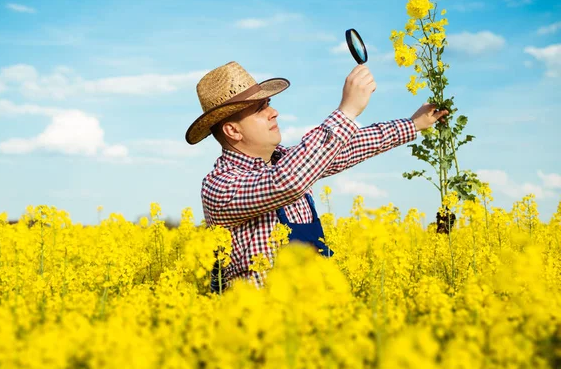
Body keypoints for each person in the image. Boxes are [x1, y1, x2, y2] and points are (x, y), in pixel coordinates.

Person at [185, 61, 448, 292]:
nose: (273, 112)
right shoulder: (220, 186)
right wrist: (347, 111)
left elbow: (348, 148)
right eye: (259, 109)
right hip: (263, 331)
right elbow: (287, 182)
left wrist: (414, 124)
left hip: (314, 321)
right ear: (232, 130)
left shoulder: (288, 161)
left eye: (268, 104)